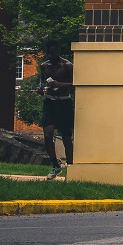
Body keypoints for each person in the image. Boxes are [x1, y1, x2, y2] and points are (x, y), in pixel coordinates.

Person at [38, 40, 74, 180]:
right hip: (50, 103)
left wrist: (60, 84)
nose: (50, 56)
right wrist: (40, 88)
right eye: (48, 53)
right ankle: (55, 165)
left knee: (66, 137)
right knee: (47, 134)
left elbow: (75, 83)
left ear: (58, 50)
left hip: (64, 103)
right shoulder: (44, 66)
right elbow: (41, 80)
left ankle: (70, 168)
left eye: (52, 53)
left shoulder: (67, 66)